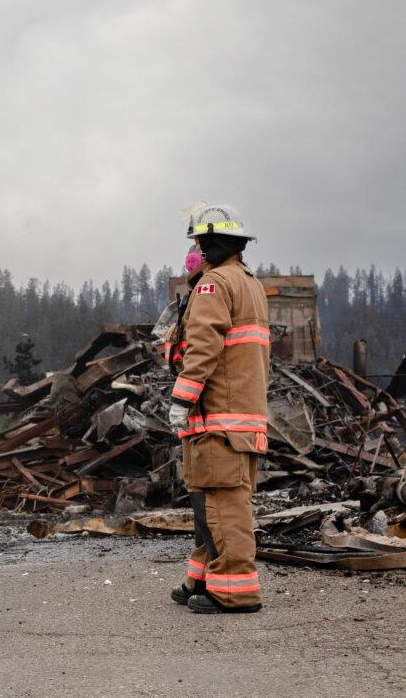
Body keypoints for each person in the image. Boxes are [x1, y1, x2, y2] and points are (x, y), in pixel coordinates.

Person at [165, 203, 270, 614]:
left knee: (224, 505)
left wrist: (181, 398)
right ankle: (203, 579)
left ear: (211, 245)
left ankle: (234, 592)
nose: (194, 252)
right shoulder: (248, 283)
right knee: (212, 504)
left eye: (198, 245)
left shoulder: (213, 285)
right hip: (238, 417)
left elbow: (203, 348)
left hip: (219, 420)